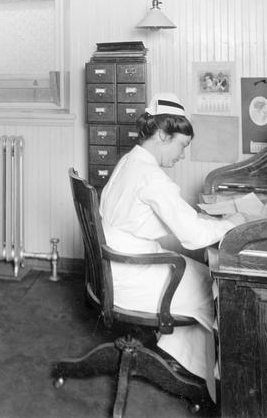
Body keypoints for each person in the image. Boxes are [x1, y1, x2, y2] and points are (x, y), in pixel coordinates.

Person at [98, 92, 245, 402]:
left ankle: (190, 364)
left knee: (200, 273)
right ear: (163, 135)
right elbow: (191, 235)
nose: (182, 155)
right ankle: (219, 387)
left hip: (115, 268)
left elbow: (174, 222)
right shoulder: (150, 175)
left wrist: (198, 220)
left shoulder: (131, 160)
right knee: (215, 287)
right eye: (181, 145)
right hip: (131, 275)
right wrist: (234, 225)